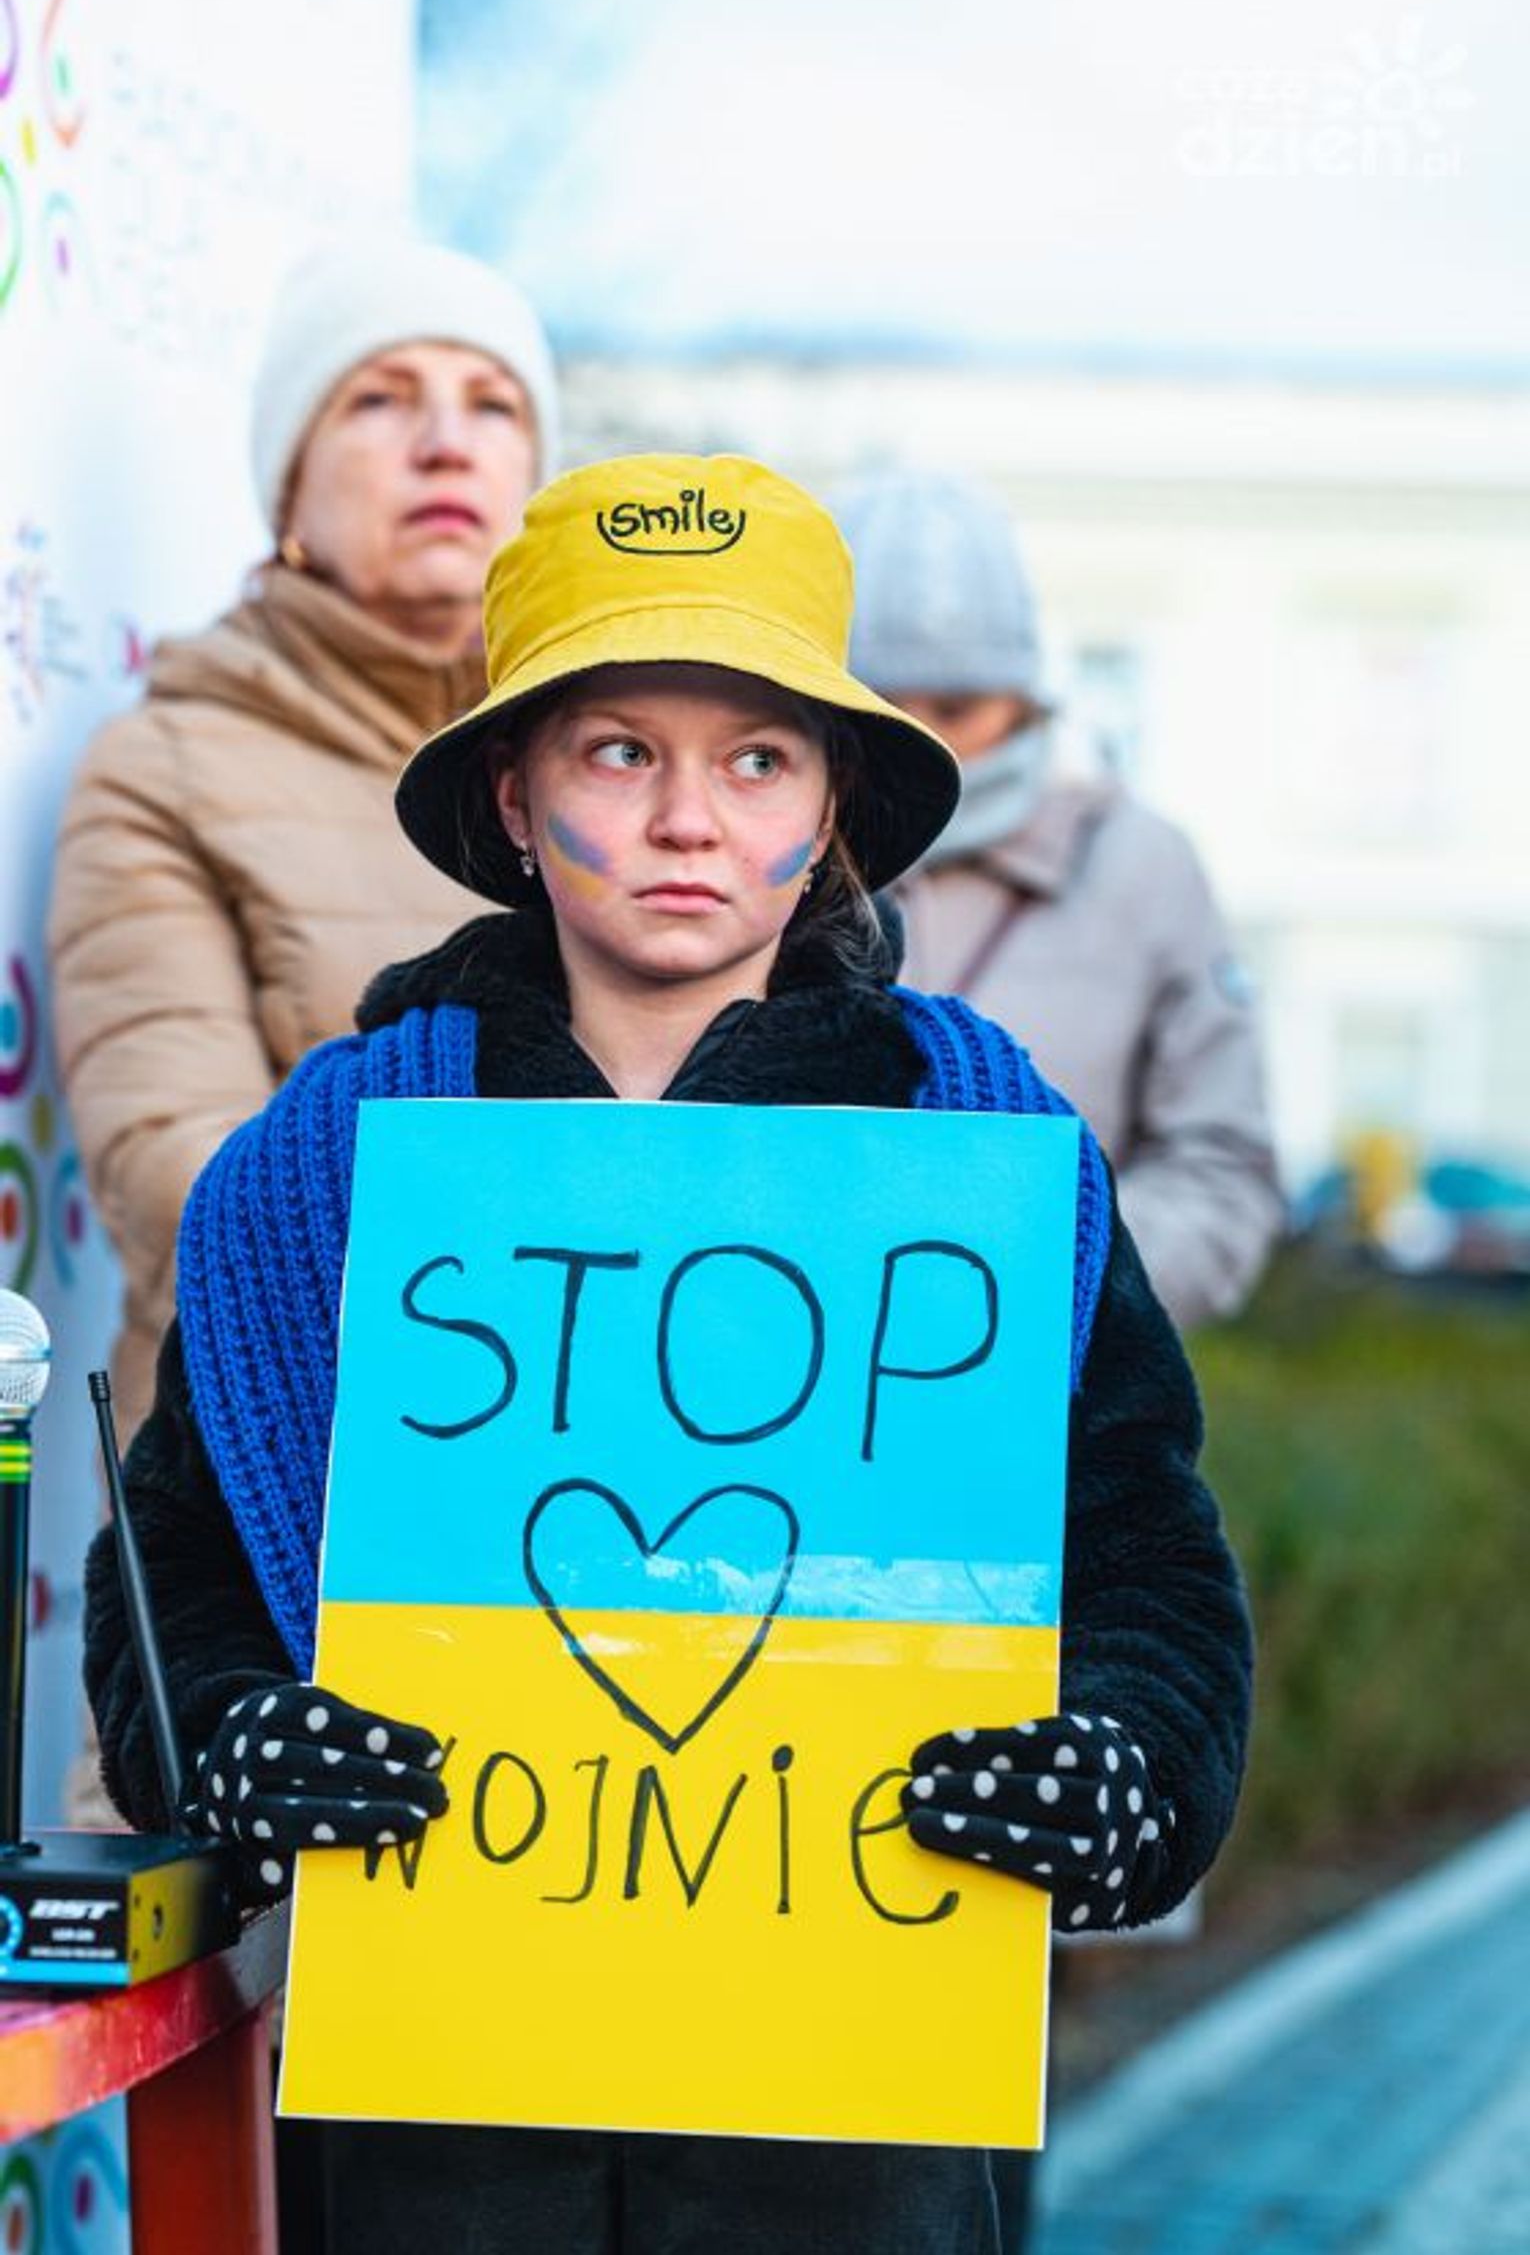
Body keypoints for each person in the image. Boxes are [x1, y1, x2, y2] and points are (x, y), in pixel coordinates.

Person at [84, 454, 1253, 2255]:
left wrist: (1118, 1766)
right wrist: (239, 1741)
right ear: (515, 789)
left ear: (830, 799)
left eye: (757, 759)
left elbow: (1146, 1556)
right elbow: (177, 1564)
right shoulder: (325, 1164)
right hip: (435, 2129)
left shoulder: (978, 1148)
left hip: (855, 2125)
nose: (690, 817)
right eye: (620, 750)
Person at [48, 233, 559, 1444]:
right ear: (287, 485)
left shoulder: (611, 762)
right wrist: (561, 1290)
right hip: (277, 1473)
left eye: (493, 405)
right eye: (379, 399)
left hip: (601, 1464)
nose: (445, 442)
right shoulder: (166, 767)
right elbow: (178, 1176)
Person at [834, 469, 1284, 1332]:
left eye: (957, 705)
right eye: (878, 704)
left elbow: (1221, 1168)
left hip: (1065, 1387)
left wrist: (1054, 1289)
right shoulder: (761, 860)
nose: (921, 740)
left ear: (1025, 697)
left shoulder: (1144, 868)